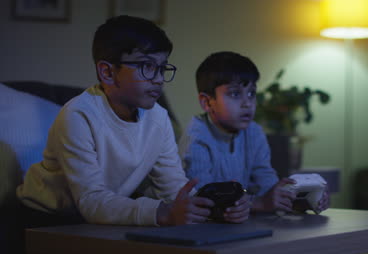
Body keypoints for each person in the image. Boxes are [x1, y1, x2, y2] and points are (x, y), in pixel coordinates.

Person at [16, 15, 215, 227]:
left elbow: (172, 185)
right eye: (147, 66)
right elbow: (91, 200)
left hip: (98, 212)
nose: (158, 78)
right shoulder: (78, 115)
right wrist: (161, 213)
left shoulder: (158, 117)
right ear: (107, 72)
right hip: (47, 215)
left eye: (162, 68)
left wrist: (213, 207)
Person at [179, 51, 330, 214]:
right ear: (207, 102)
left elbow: (266, 186)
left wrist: (295, 202)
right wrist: (258, 204)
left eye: (251, 93)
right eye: (235, 94)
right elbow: (203, 200)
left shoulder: (254, 132)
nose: (247, 103)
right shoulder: (197, 137)